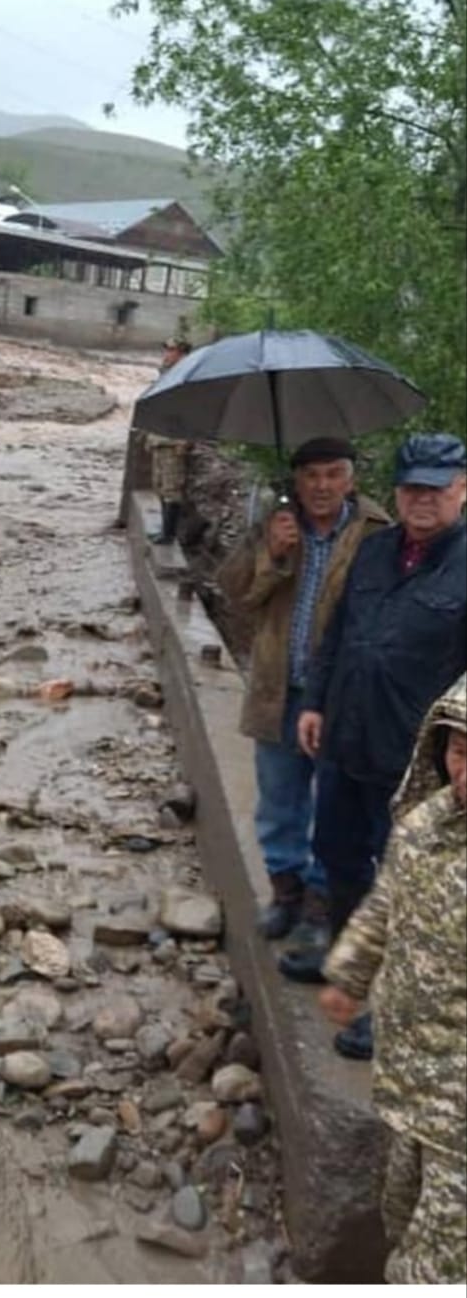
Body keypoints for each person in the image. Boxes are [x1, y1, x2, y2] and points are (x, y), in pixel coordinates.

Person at [282, 434, 467, 1059]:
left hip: (417, 764)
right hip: (345, 740)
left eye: (437, 487)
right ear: (396, 491)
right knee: (337, 856)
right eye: (413, 487)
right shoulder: (376, 550)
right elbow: (337, 633)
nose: (423, 499)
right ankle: (346, 969)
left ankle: (388, 1008)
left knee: (405, 887)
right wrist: (313, 701)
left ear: (462, 488)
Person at [320, 674, 466, 1285]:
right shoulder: (426, 825)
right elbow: (385, 905)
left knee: (438, 1259)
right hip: (410, 1077)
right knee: (400, 1206)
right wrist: (349, 975)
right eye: (460, 751)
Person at [218, 439, 389, 938]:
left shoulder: (375, 534)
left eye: (333, 474)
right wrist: (271, 555)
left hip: (341, 697)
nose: (322, 486)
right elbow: (234, 593)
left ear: (351, 480)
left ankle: (320, 900)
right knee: (278, 800)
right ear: (297, 481)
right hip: (278, 689)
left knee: (334, 806)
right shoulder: (274, 526)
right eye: (311, 475)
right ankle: (285, 892)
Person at [147, 336, 193, 544]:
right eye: (166, 350)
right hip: (159, 438)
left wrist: (187, 440)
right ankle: (164, 529)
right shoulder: (166, 374)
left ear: (182, 353)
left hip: (174, 442)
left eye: (171, 350)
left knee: (172, 490)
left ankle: (169, 534)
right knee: (159, 486)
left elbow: (196, 411)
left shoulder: (190, 377)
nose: (166, 354)